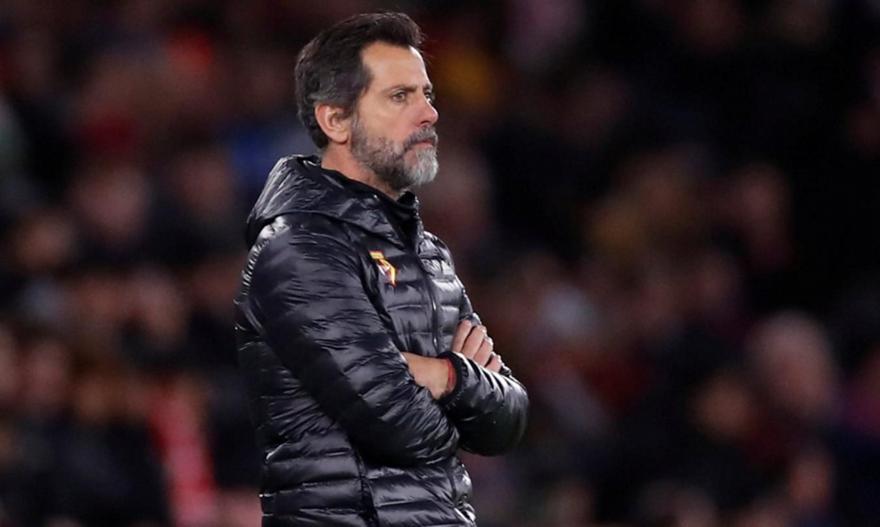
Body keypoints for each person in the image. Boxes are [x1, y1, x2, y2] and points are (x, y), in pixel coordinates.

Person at [234, 12, 529, 527]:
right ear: (336, 121)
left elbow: (508, 421)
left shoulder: (429, 253)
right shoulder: (298, 249)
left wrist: (444, 375)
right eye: (399, 97)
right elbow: (400, 425)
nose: (429, 113)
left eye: (426, 94)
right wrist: (463, 391)